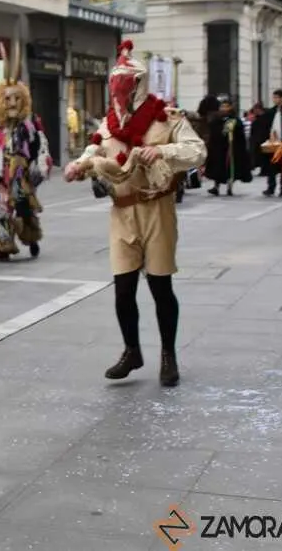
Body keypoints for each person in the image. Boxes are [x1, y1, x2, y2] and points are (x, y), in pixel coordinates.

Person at [63, 40, 205, 387]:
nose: (119, 91)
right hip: (121, 212)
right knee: (123, 289)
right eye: (116, 84)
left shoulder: (166, 117)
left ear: (139, 84)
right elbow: (93, 149)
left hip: (157, 208)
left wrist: (163, 152)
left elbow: (197, 151)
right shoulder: (109, 124)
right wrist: (78, 165)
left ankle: (168, 354)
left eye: (125, 84)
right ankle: (132, 351)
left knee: (160, 286)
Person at [0, 62, 50, 261]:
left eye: (17, 98)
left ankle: (31, 236)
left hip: (20, 176)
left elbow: (39, 145)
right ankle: (2, 244)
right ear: (0, 101)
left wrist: (38, 165)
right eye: (7, 99)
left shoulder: (28, 125)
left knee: (24, 210)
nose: (13, 103)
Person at [251, 89, 282, 197]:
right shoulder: (270, 112)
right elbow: (264, 126)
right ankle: (271, 187)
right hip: (272, 143)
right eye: (274, 97)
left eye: (278, 97)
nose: (276, 100)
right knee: (271, 166)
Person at [204, 95, 251, 196]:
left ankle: (230, 187)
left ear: (230, 107)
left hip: (231, 149)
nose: (224, 109)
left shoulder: (235, 120)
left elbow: (240, 135)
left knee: (230, 168)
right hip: (218, 148)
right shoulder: (216, 119)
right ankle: (216, 187)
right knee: (217, 168)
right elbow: (212, 133)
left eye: (226, 106)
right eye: (222, 106)